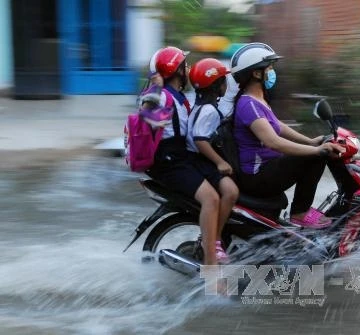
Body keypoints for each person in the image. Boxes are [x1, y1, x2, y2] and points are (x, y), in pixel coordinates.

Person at [230, 42, 345, 227]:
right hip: (258, 176)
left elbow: (279, 126)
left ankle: (302, 211)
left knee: (313, 153)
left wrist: (310, 142)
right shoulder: (248, 104)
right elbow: (273, 141)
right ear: (256, 73)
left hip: (267, 168)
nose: (272, 71)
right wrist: (317, 151)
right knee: (314, 158)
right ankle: (300, 212)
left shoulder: (257, 100)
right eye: (269, 67)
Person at [145, 47, 224, 265]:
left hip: (179, 158)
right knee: (211, 198)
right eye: (184, 65)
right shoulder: (161, 96)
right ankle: (211, 264)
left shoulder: (178, 97)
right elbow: (148, 117)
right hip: (170, 162)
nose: (188, 69)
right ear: (177, 70)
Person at [186, 58, 239, 261]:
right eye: (224, 81)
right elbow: (200, 140)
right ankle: (215, 239)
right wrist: (220, 162)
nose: (226, 85)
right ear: (216, 85)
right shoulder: (208, 110)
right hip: (200, 161)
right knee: (231, 192)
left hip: (198, 159)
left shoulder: (201, 105)